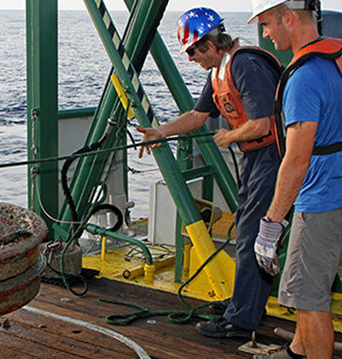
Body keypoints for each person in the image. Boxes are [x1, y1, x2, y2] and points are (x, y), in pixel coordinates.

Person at [137, 7, 282, 339]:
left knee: (250, 236)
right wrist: (162, 131)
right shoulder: (219, 72)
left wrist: (229, 135)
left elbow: (262, 123)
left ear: (211, 43)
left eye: (193, 51)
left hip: (272, 157)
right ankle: (243, 305)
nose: (190, 59)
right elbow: (198, 116)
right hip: (256, 159)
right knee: (248, 232)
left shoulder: (244, 64)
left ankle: (241, 321)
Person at [248, 1, 342, 358]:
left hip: (324, 198)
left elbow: (297, 159)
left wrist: (271, 225)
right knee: (309, 285)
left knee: (309, 297)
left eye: (268, 24)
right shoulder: (332, 59)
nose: (265, 34)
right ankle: (297, 351)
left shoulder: (302, 78)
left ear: (289, 17)